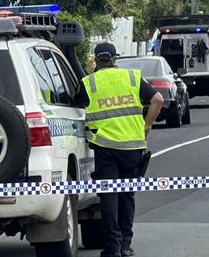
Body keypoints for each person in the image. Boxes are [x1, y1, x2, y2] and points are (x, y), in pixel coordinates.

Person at [77, 43, 164, 257]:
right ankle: (126, 245)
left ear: (95, 60)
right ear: (115, 59)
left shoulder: (89, 82)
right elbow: (158, 100)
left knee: (109, 197)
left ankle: (113, 247)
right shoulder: (132, 77)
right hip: (133, 147)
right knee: (127, 196)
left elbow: (76, 106)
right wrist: (147, 124)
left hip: (105, 147)